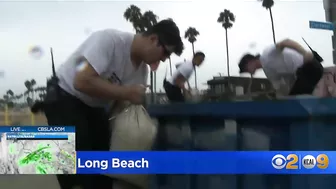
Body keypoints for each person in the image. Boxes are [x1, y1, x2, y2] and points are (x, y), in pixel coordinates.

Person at [41, 19, 184, 189]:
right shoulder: (110, 41)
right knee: (76, 173)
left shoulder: (141, 72)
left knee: (103, 171)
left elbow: (119, 106)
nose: (159, 63)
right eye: (164, 55)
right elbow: (82, 81)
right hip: (64, 97)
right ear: (153, 39)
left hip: (95, 107)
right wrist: (127, 93)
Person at [238, 39, 323, 96]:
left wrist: (304, 52)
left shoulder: (267, 53)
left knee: (294, 97)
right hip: (304, 74)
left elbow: (286, 42)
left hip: (310, 65)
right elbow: (279, 89)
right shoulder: (268, 72)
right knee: (292, 96)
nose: (248, 72)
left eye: (246, 69)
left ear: (249, 62)